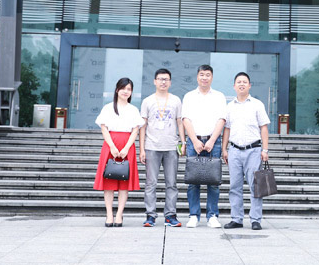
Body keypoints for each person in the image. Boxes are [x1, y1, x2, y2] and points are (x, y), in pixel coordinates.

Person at [221, 72, 270, 230]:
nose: (241, 84)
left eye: (244, 82)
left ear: (249, 85)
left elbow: (263, 127)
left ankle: (255, 219)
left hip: (253, 150)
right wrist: (224, 149)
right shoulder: (229, 107)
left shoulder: (257, 104)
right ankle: (236, 219)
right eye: (239, 82)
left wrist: (265, 149)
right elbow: (227, 129)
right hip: (234, 150)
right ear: (234, 86)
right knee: (234, 187)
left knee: (255, 186)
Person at [181, 64, 227, 228]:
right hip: (194, 142)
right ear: (197, 77)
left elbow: (222, 119)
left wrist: (212, 140)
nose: (204, 77)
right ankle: (194, 215)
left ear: (212, 77)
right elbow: (185, 119)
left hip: (213, 142)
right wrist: (194, 140)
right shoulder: (189, 96)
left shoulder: (219, 96)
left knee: (213, 181)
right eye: (202, 74)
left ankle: (212, 215)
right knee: (193, 181)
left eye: (208, 75)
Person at [94, 77, 143, 227]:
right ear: (117, 90)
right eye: (123, 88)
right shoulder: (108, 108)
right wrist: (112, 147)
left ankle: (119, 214)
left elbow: (135, 131)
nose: (126, 91)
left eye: (129, 89)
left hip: (127, 147)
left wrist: (126, 148)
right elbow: (104, 129)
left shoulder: (133, 110)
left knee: (124, 183)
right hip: (110, 146)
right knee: (108, 182)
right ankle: (109, 214)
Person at [138, 68, 184, 228]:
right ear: (154, 81)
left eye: (166, 79)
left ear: (170, 82)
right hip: (152, 146)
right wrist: (141, 149)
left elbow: (180, 122)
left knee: (172, 183)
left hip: (171, 147)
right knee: (151, 183)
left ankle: (170, 215)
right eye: (160, 79)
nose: (163, 82)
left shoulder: (176, 100)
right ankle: (150, 215)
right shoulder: (147, 101)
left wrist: (183, 142)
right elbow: (143, 126)